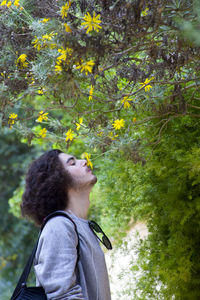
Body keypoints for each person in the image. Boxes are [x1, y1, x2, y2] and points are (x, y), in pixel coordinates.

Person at [21, 149, 112, 300]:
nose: (84, 162)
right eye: (72, 163)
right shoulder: (58, 227)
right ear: (57, 179)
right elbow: (62, 296)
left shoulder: (80, 225)